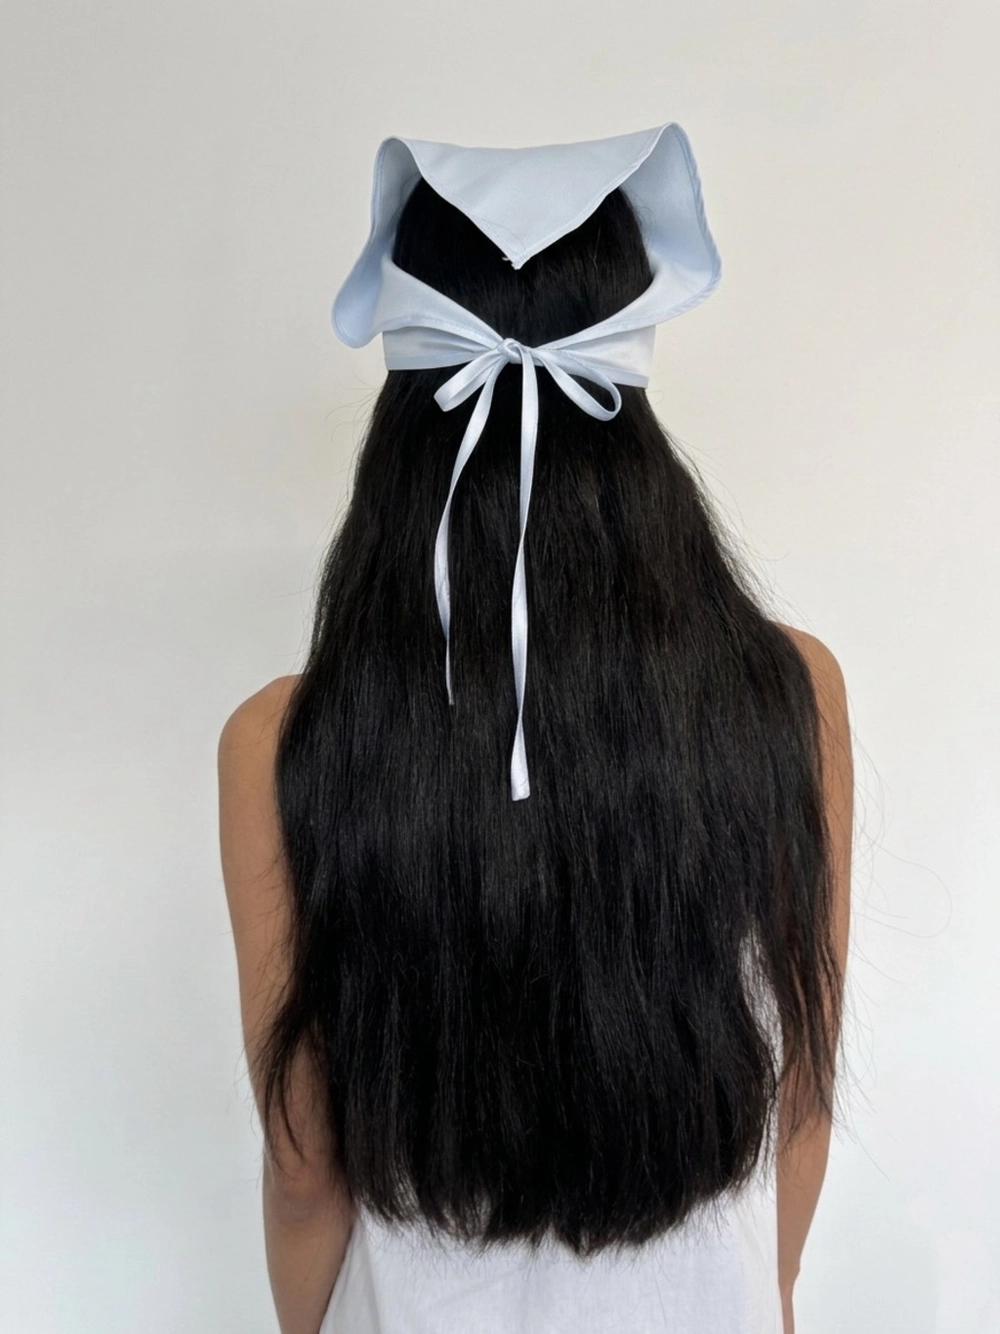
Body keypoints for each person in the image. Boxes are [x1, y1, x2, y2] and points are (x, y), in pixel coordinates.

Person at [217, 128, 853, 1334]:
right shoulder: (791, 689)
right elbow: (803, 1095)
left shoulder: (281, 737)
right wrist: (765, 1294)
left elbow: (305, 1163)